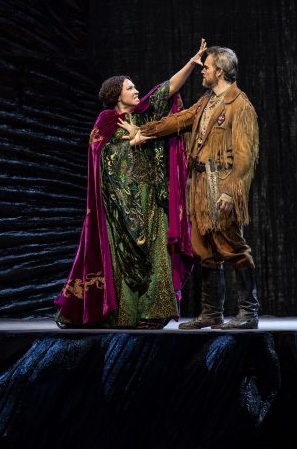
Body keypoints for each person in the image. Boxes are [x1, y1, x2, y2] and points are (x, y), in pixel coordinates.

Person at [54, 40, 206, 329]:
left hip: (152, 198)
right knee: (123, 261)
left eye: (135, 87)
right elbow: (102, 166)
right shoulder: (104, 124)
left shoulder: (144, 114)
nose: (136, 90)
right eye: (130, 87)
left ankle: (155, 313)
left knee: (157, 254)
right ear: (116, 95)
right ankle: (125, 314)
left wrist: (191, 62)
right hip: (120, 206)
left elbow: (167, 89)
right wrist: (119, 201)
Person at [120, 46, 260, 330]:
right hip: (198, 183)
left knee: (231, 245)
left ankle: (248, 312)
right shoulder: (206, 101)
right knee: (203, 248)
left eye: (206, 67)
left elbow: (246, 158)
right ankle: (211, 313)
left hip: (220, 182)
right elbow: (177, 121)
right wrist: (143, 132)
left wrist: (230, 192)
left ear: (219, 71)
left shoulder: (240, 105)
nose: (203, 71)